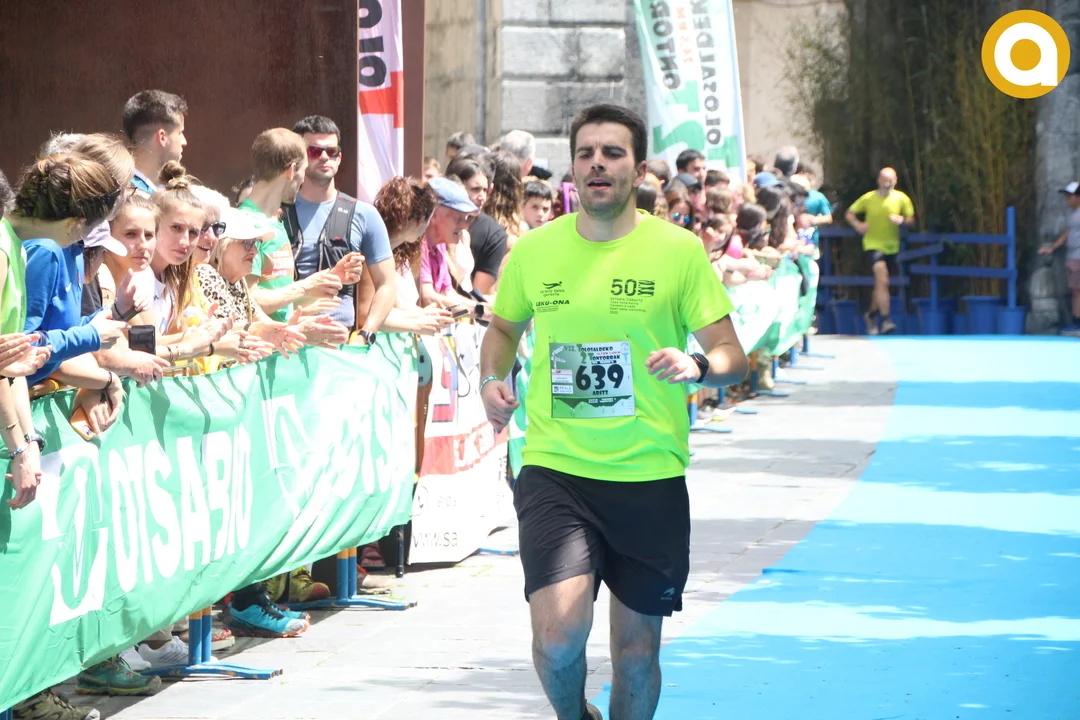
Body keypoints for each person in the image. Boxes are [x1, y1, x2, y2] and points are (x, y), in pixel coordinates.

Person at [478, 104, 748, 720]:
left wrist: (697, 365)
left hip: (648, 474)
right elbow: (503, 330)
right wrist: (492, 379)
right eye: (586, 153)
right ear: (574, 168)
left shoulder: (678, 252)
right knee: (556, 638)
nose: (597, 163)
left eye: (613, 153)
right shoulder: (535, 251)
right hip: (556, 467)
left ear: (639, 169)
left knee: (635, 655)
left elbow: (732, 354)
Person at [288, 115, 393, 344]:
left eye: (332, 151)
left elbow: (387, 284)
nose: (324, 157)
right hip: (287, 340)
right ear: (298, 157)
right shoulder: (279, 212)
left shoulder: (364, 214)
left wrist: (366, 333)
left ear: (339, 157)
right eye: (314, 151)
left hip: (338, 344)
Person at [241, 128, 351, 347]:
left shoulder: (275, 220)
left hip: (280, 353)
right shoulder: (246, 225)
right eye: (303, 171)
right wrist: (305, 287)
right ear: (291, 170)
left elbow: (277, 299)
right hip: (258, 355)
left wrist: (324, 285)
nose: (302, 180)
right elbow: (246, 301)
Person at [845, 167, 915, 335]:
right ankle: (886, 320)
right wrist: (857, 225)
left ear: (896, 180)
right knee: (882, 278)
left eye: (890, 180)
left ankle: (871, 314)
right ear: (878, 180)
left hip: (892, 245)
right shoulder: (869, 198)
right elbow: (849, 213)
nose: (887, 184)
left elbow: (911, 220)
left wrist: (902, 220)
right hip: (873, 244)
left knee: (882, 283)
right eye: (884, 180)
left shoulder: (902, 198)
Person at [122, 89, 188, 194]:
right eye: (180, 132)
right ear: (162, 137)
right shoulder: (132, 197)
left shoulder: (118, 186)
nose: (184, 142)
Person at [1038, 181, 1080, 332]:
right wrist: (1052, 248)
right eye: (1066, 196)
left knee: (1077, 292)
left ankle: (1077, 322)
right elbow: (1066, 234)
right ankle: (1076, 321)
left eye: (1070, 196)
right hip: (1072, 257)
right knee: (1075, 291)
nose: (1067, 199)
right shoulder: (1073, 215)